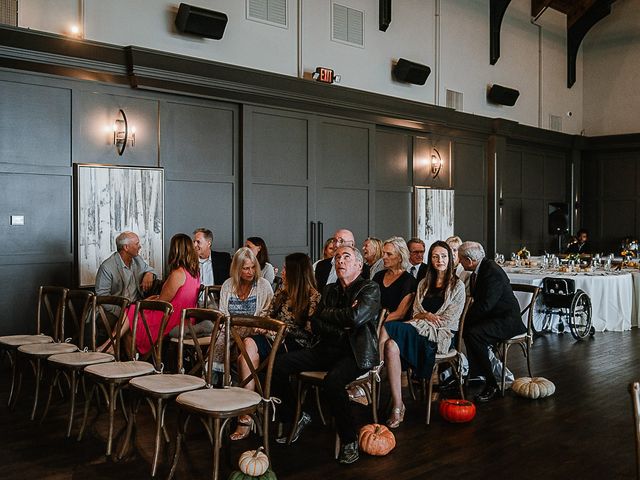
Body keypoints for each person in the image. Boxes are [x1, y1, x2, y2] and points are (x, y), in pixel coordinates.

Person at [271, 245, 381, 464]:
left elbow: (356, 318)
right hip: (328, 348)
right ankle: (296, 415)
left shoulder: (370, 288)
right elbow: (317, 323)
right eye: (337, 257)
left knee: (333, 382)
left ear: (359, 265)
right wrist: (342, 323)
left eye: (346, 257)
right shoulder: (329, 290)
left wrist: (334, 317)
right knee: (279, 363)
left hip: (356, 353)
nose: (340, 261)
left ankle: (349, 440)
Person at [230, 252, 321, 441]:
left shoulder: (312, 297)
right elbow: (270, 315)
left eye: (287, 268)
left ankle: (247, 413)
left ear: (296, 272)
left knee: (244, 359)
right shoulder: (282, 291)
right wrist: (263, 326)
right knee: (247, 346)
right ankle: (247, 412)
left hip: (296, 345)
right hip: (273, 338)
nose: (283, 271)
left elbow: (309, 333)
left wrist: (275, 331)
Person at [379, 240, 465, 427]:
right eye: (435, 257)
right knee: (391, 345)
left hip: (440, 338)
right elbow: (416, 312)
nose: (439, 260)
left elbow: (448, 321)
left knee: (388, 327)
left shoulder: (458, 286)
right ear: (431, 260)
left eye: (443, 256)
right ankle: (398, 405)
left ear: (450, 259)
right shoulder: (424, 283)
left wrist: (422, 320)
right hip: (418, 329)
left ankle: (376, 372)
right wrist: (425, 316)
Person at [102, 233, 200, 356]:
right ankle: (113, 347)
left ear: (175, 250)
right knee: (132, 313)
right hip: (184, 317)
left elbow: (162, 302)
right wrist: (153, 296)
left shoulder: (178, 274)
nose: (140, 246)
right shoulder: (195, 273)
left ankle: (119, 352)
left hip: (171, 318)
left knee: (131, 312)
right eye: (137, 244)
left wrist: (148, 300)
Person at [459, 241, 525, 403]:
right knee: (469, 332)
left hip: (507, 320)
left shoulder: (491, 271)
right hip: (494, 317)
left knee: (473, 334)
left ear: (469, 260)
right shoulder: (481, 269)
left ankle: (492, 383)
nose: (459, 262)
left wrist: (463, 321)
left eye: (460, 259)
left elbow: (485, 305)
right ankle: (478, 373)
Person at [210, 247, 274, 372]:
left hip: (254, 335)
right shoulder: (228, 285)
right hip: (230, 332)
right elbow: (223, 314)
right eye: (246, 268)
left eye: (253, 267)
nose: (251, 272)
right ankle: (213, 381)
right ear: (237, 269)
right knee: (218, 342)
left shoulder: (263, 285)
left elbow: (267, 315)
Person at [94, 231, 156, 340]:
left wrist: (149, 273)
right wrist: (124, 312)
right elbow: (102, 297)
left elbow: (150, 269)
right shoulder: (107, 267)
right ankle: (122, 353)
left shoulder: (137, 260)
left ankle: (136, 355)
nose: (140, 246)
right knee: (130, 325)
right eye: (137, 244)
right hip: (113, 309)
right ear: (126, 247)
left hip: (134, 307)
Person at [372, 236, 417, 323]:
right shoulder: (378, 276)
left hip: (394, 326)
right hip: (375, 322)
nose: (384, 257)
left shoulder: (409, 280)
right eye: (383, 253)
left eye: (389, 254)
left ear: (400, 257)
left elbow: (400, 314)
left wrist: (377, 323)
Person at [192, 228, 231, 305]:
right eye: (194, 242)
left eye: (198, 242)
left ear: (208, 243)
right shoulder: (189, 261)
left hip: (217, 304)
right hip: (194, 304)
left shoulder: (223, 259)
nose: (195, 245)